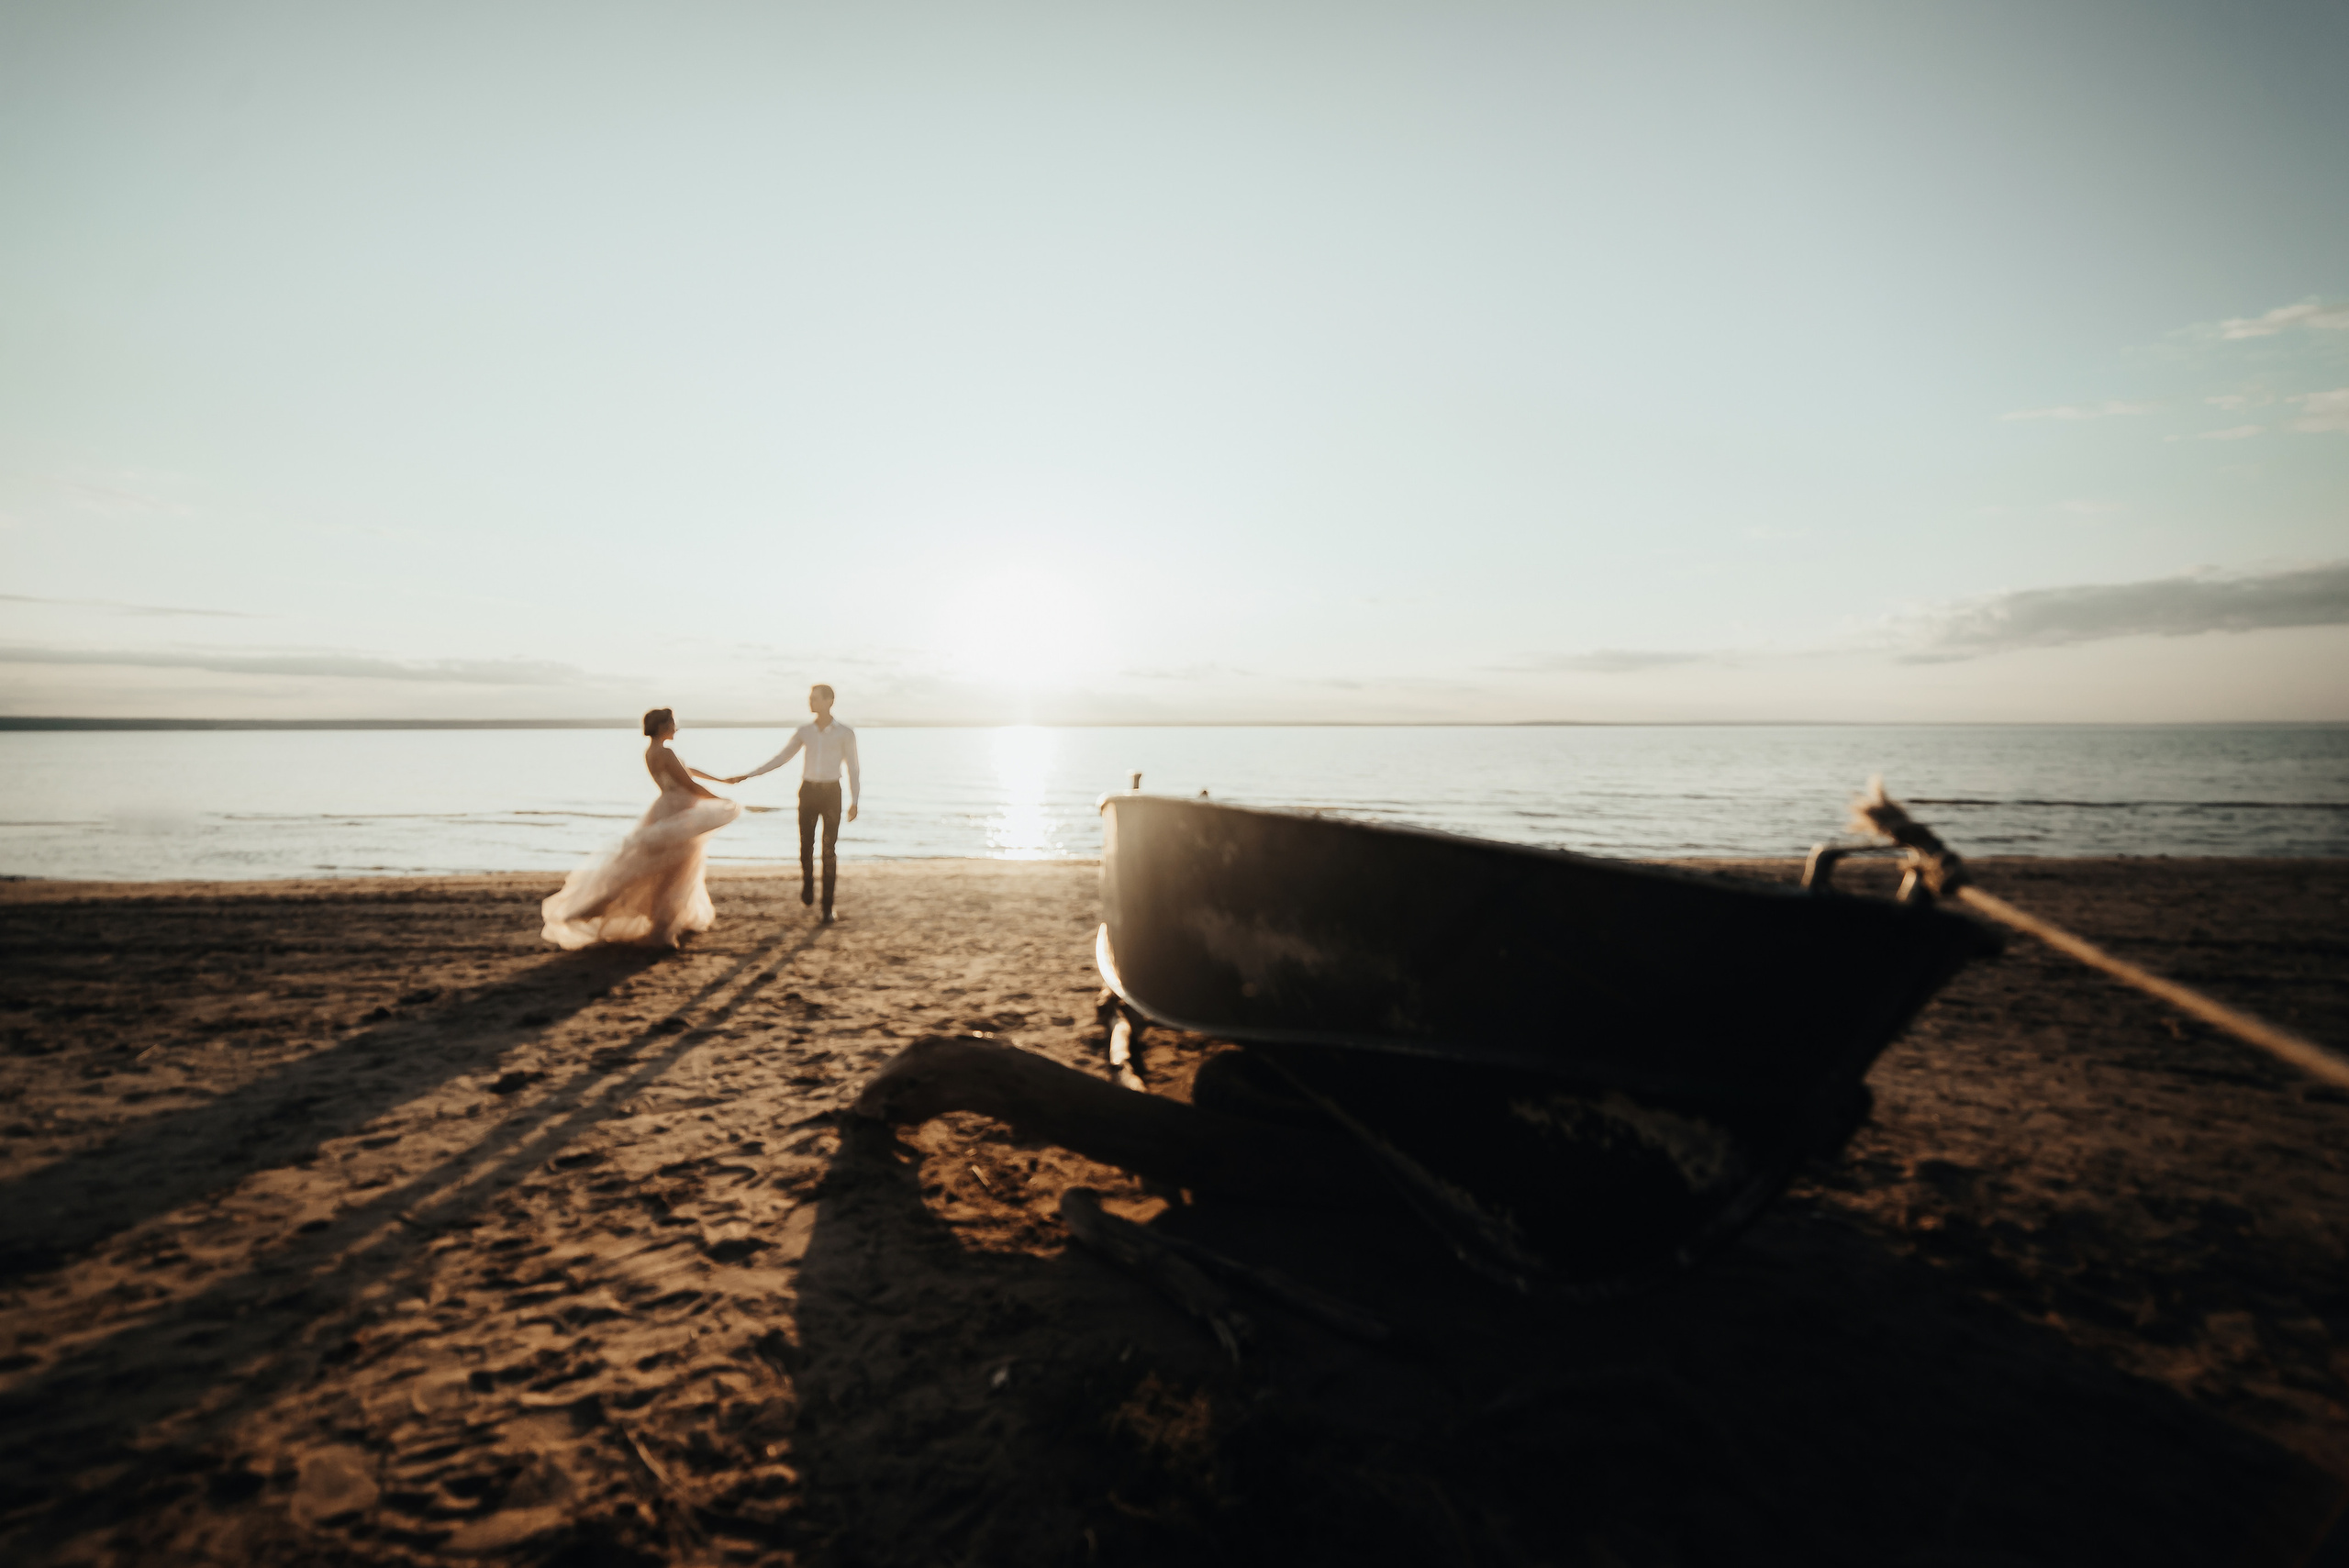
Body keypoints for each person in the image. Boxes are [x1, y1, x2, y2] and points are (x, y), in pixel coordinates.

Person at [540, 708, 742, 950]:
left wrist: (722, 780)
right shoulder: (666, 752)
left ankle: (659, 921)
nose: (676, 728)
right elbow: (688, 782)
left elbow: (686, 770)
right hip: (677, 815)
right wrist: (721, 800)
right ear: (661, 726)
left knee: (663, 869)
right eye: (673, 724)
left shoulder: (653, 752)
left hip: (666, 810)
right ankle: (661, 929)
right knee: (674, 872)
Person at [723, 684, 860, 922]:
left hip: (831, 794)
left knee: (829, 850)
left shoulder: (845, 733)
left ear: (829, 701)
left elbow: (853, 768)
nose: (810, 702)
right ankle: (808, 884)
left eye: (814, 698)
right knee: (806, 847)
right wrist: (749, 775)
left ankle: (827, 907)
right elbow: (781, 758)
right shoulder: (804, 731)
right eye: (810, 698)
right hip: (808, 792)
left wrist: (855, 800)